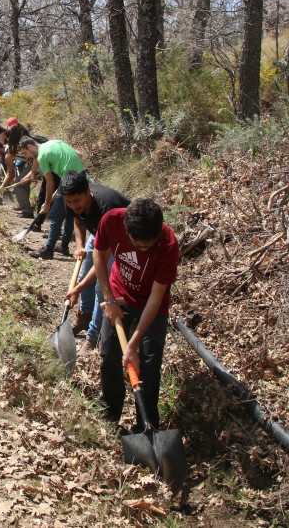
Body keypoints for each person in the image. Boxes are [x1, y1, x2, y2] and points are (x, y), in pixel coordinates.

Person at [65, 198, 179, 431]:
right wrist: (108, 299)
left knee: (148, 363)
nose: (143, 250)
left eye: (148, 246)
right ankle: (109, 410)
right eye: (138, 245)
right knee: (108, 353)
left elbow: (156, 299)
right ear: (126, 230)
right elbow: (99, 256)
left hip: (151, 306)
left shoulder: (168, 246)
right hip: (118, 295)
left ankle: (146, 425)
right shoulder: (112, 220)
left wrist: (133, 344)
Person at [58, 171, 130, 345]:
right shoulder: (71, 199)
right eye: (69, 202)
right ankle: (85, 316)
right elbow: (78, 220)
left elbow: (102, 261)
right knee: (83, 274)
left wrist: (77, 289)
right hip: (98, 233)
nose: (73, 205)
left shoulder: (108, 209)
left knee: (101, 287)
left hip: (123, 239)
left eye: (77, 201)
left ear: (87, 192)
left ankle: (93, 335)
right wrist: (79, 245)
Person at [18, 137, 82, 259]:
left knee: (56, 214)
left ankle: (48, 250)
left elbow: (50, 183)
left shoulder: (42, 155)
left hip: (68, 179)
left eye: (26, 153)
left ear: (30, 147)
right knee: (69, 213)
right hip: (80, 175)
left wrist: (47, 204)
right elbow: (78, 154)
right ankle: (64, 246)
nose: (28, 157)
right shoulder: (53, 142)